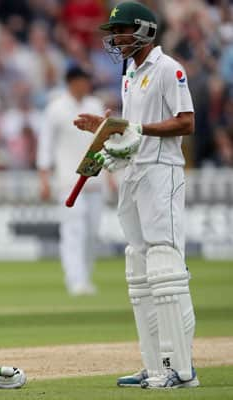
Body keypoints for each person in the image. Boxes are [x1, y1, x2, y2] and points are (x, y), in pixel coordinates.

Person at [73, 1, 198, 389]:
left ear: (144, 30)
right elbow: (130, 131)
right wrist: (109, 136)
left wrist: (135, 130)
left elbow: (186, 123)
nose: (115, 38)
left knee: (165, 266)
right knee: (140, 270)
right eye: (113, 32)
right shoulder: (130, 73)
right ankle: (156, 365)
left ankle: (182, 370)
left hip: (162, 174)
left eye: (121, 31)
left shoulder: (167, 68)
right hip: (134, 174)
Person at [38, 66, 109, 296]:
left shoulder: (94, 105)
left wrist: (111, 174)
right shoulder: (56, 108)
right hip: (68, 181)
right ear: (72, 82)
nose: (86, 85)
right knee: (73, 232)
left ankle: (85, 278)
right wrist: (44, 179)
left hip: (95, 179)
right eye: (83, 80)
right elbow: (45, 145)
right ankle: (74, 280)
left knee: (91, 233)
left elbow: (104, 141)